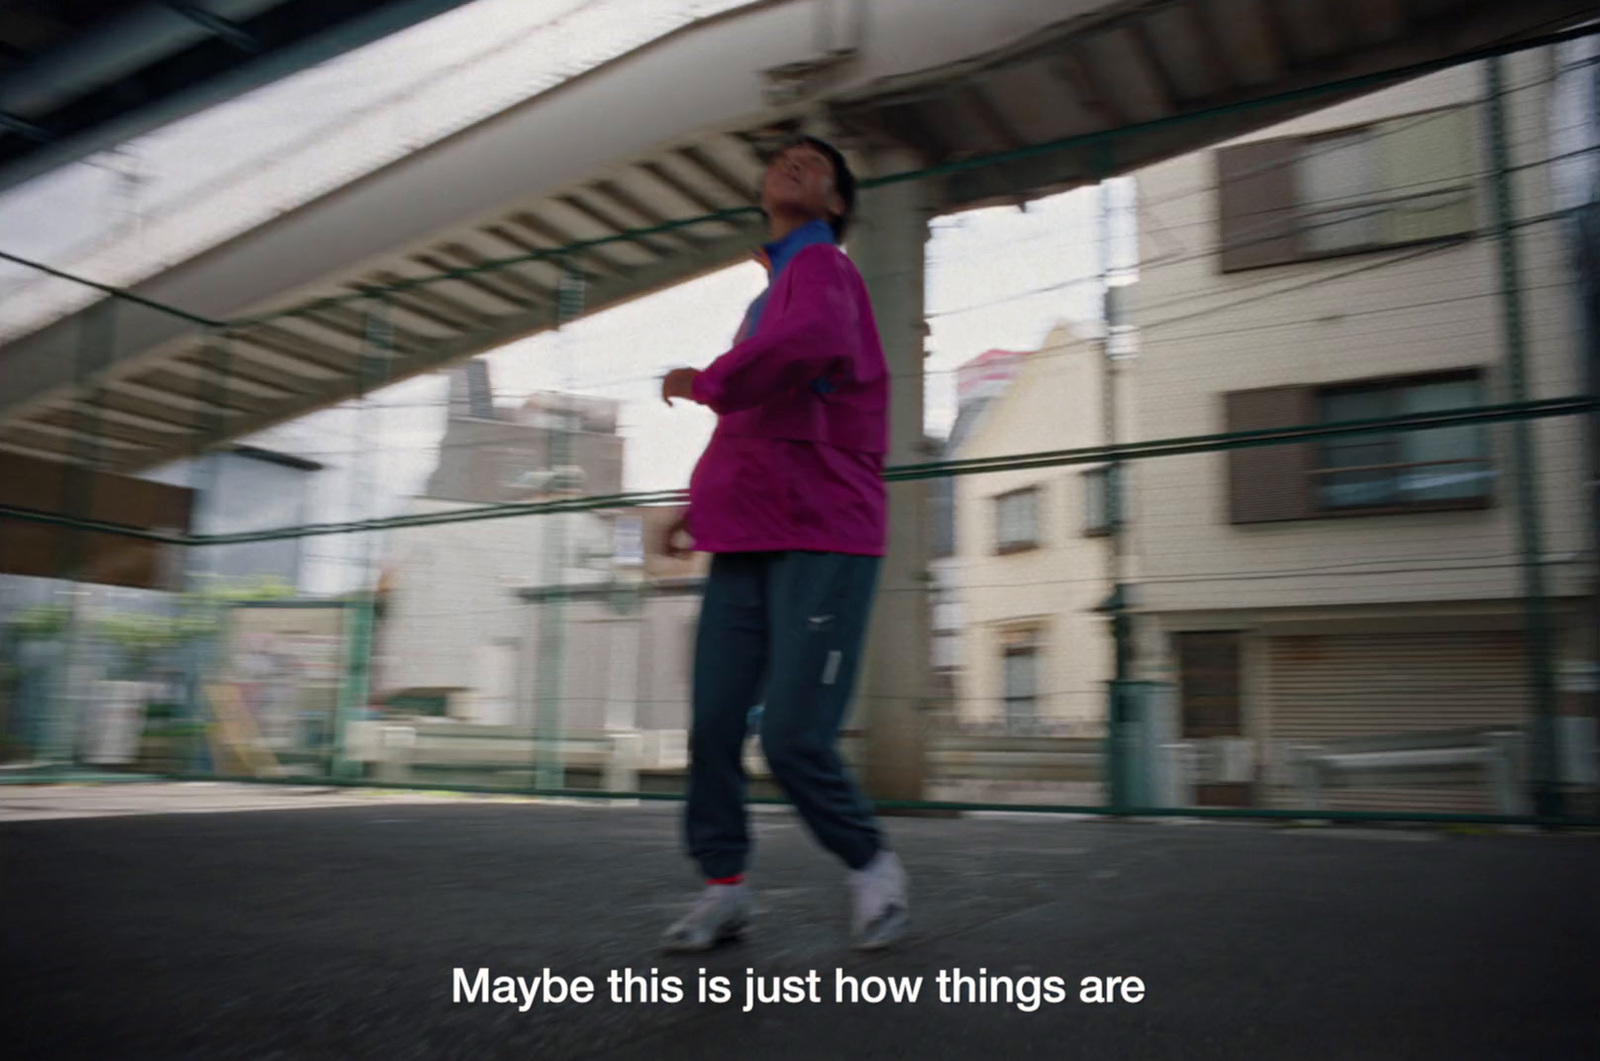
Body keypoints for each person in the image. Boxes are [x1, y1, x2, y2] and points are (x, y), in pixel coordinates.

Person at [657, 135, 908, 952]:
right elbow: (753, 419)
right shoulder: (768, 299)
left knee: (794, 734)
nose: (795, 165)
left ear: (836, 204)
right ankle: (724, 886)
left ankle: (872, 866)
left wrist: (704, 380)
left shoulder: (824, 271)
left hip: (824, 527)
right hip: (748, 531)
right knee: (715, 721)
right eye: (783, 159)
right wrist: (691, 505)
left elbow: (796, 356)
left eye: (817, 165)